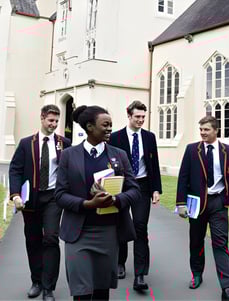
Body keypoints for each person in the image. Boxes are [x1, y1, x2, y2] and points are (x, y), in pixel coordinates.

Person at [54, 105, 140, 301]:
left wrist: (117, 199)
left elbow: (134, 190)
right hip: (78, 234)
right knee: (81, 292)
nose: (110, 128)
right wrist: (88, 204)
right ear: (90, 127)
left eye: (111, 124)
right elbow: (60, 195)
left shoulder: (119, 155)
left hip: (108, 233)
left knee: (102, 292)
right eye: (105, 125)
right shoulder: (69, 155)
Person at [176, 116, 229, 300]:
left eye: (206, 129)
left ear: (216, 130)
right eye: (201, 129)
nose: (203, 133)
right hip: (197, 204)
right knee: (196, 241)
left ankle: (227, 287)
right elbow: (183, 177)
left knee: (220, 243)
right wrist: (180, 203)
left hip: (218, 203)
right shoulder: (191, 150)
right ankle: (196, 275)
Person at [9, 104, 71, 301]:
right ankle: (36, 281)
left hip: (54, 197)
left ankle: (48, 287)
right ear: (42, 118)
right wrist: (15, 194)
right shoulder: (27, 143)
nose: (54, 124)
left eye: (56, 121)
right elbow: (15, 169)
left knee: (51, 238)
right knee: (33, 239)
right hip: (31, 199)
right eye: (50, 120)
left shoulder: (64, 143)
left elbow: (72, 168)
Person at [108, 100, 162, 290]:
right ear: (129, 115)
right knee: (121, 224)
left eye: (143, 117)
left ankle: (140, 274)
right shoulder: (115, 138)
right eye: (137, 117)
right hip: (121, 186)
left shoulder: (149, 137)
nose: (140, 120)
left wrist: (156, 189)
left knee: (140, 226)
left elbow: (153, 165)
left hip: (143, 186)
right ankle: (120, 262)